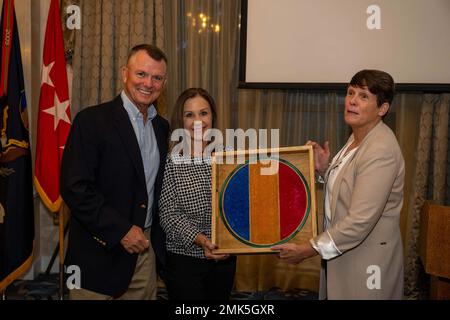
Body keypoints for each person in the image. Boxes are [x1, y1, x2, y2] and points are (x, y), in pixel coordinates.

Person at [272, 69, 405, 300]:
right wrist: (325, 170)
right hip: (345, 257)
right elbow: (351, 186)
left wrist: (309, 249)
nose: (352, 100)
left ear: (382, 109)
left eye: (363, 96)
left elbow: (359, 221)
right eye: (350, 92)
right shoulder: (357, 136)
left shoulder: (380, 149)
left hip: (367, 265)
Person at [60, 44, 169, 300]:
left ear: (163, 83)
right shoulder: (91, 121)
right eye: (141, 74)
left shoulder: (162, 127)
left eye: (157, 78)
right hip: (96, 257)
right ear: (124, 74)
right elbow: (75, 187)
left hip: (143, 256)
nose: (148, 83)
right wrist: (120, 230)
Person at [158, 88, 236, 300]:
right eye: (189, 115)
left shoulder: (230, 155)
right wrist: (201, 240)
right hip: (184, 259)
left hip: (225, 255)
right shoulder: (172, 160)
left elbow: (242, 204)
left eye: (204, 113)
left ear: (212, 116)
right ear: (180, 120)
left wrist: (231, 241)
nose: (198, 121)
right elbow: (168, 214)